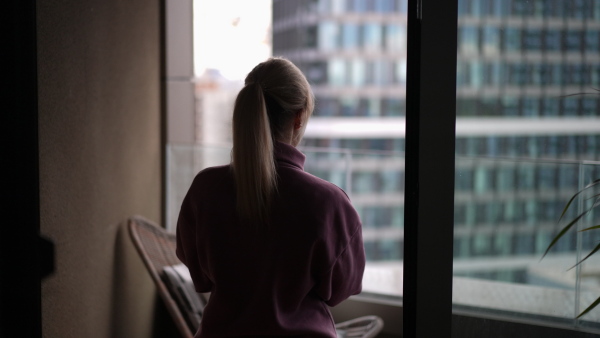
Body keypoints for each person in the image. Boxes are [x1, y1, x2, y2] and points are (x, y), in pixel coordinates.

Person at [176, 57, 365, 338]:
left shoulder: (205, 188)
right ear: (298, 117)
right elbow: (341, 290)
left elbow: (199, 276)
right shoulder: (328, 203)